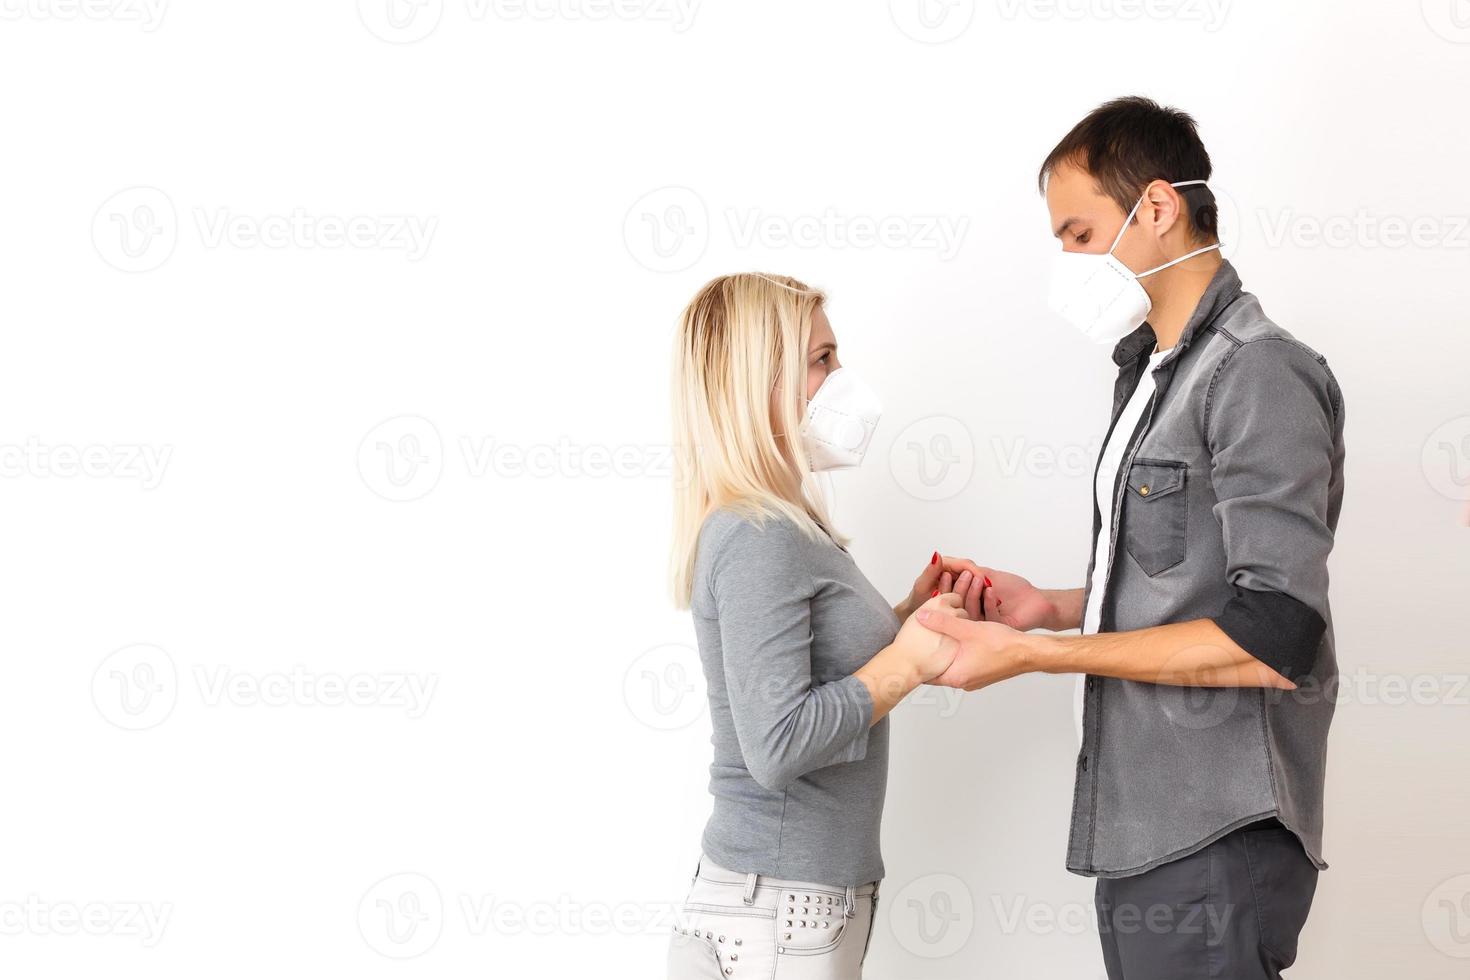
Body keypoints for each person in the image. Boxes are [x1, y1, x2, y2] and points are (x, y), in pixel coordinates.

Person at [919, 97, 1344, 979]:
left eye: (1078, 233)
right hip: (1149, 830)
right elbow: (1190, 579)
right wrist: (1052, 610)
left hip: (1215, 834)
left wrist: (1036, 657)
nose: (1066, 262)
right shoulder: (1154, 373)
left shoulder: (1255, 371)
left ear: (1156, 209)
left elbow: (1271, 638)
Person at [664, 272, 982, 980]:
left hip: (793, 908)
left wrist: (907, 619)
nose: (841, 378)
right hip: (774, 913)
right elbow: (775, 744)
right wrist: (907, 664)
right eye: (823, 359)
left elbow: (816, 676)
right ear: (762, 380)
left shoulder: (784, 523)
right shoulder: (757, 534)